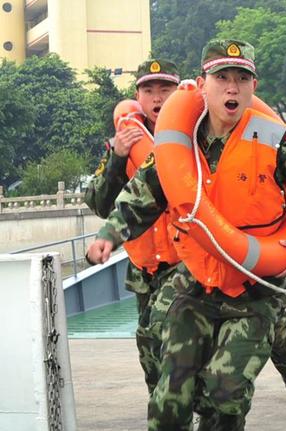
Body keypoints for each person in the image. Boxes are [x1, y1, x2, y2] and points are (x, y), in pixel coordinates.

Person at [86, 39, 286, 431]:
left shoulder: (278, 142)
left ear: (253, 85)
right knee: (170, 382)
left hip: (255, 286)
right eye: (222, 77)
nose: (232, 87)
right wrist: (108, 237)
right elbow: (143, 196)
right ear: (203, 86)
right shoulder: (180, 144)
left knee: (223, 387)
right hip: (197, 279)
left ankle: (225, 412)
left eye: (241, 78)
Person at [84, 59, 180, 394]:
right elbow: (98, 203)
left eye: (165, 89)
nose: (157, 98)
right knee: (151, 353)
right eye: (148, 90)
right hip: (144, 268)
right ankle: (168, 423)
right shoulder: (123, 140)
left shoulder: (194, 136)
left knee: (185, 349)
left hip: (188, 264)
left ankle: (204, 422)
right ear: (137, 96)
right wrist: (117, 157)